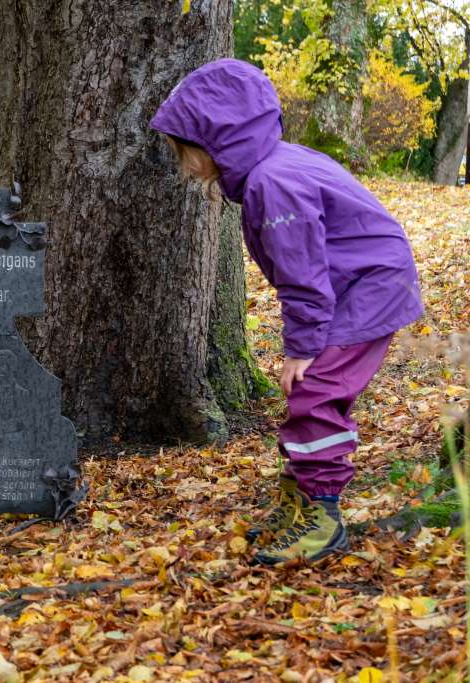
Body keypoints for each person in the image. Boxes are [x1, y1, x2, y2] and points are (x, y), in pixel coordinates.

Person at [149, 58, 424, 565]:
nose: (183, 167)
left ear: (215, 139)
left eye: (182, 151)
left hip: (367, 285)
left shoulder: (271, 183)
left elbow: (302, 273)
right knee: (311, 392)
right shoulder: (272, 166)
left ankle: (323, 518)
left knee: (315, 391)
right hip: (357, 282)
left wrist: (302, 346)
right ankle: (299, 503)